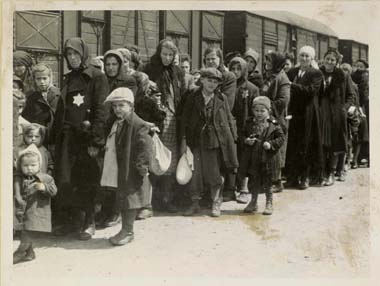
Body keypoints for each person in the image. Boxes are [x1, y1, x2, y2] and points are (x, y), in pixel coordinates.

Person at [50, 37, 109, 240]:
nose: (72, 58)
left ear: (83, 54)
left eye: (76, 53)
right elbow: (62, 110)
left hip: (86, 138)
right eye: (69, 54)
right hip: (68, 138)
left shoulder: (97, 76)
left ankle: (89, 222)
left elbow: (102, 110)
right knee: (66, 179)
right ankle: (73, 222)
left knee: (88, 179)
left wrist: (95, 141)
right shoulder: (68, 78)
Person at [98, 87, 153, 246]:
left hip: (131, 168)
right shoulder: (117, 122)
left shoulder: (137, 124)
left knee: (130, 199)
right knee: (122, 197)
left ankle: (128, 231)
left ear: (131, 106)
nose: (117, 109)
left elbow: (144, 147)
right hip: (119, 166)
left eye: (121, 105)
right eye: (114, 106)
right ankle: (124, 229)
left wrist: (141, 167)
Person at [181, 67, 238, 217]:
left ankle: (216, 202)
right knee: (196, 173)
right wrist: (184, 140)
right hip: (196, 141)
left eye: (215, 82)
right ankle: (194, 203)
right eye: (209, 80)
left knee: (214, 172)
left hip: (214, 141)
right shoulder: (193, 97)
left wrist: (233, 137)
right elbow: (184, 119)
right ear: (202, 80)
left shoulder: (221, 99)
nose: (212, 84)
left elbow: (228, 119)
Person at [144, 39, 186, 212]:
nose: (167, 58)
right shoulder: (149, 69)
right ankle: (149, 202)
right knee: (153, 158)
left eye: (171, 55)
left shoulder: (178, 72)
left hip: (173, 120)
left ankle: (166, 199)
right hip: (155, 119)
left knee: (170, 158)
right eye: (164, 54)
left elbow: (181, 96)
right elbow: (142, 95)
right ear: (158, 53)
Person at [285, 46, 324, 190]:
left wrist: (292, 86)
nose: (304, 58)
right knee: (293, 144)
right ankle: (292, 177)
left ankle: (305, 177)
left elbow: (311, 91)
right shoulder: (292, 72)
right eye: (302, 55)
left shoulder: (316, 73)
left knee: (306, 144)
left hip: (308, 113)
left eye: (307, 56)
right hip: (294, 112)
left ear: (312, 58)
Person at [239, 96, 285, 215]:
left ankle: (269, 203)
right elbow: (241, 135)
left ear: (268, 111)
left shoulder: (273, 124)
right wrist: (246, 140)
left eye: (262, 111)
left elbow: (281, 138)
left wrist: (271, 144)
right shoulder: (249, 123)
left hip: (267, 159)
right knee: (253, 181)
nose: (259, 113)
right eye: (256, 110)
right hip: (253, 158)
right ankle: (253, 202)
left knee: (267, 182)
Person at [203, 47, 237, 202]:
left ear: (220, 60)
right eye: (208, 58)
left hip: (222, 119)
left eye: (214, 59)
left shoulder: (228, 76)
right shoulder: (202, 75)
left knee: (222, 159)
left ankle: (225, 191)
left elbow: (228, 101)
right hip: (206, 121)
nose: (211, 61)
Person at [13, 144, 57, 264]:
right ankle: (30, 253)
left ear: (39, 165)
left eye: (33, 165)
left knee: (27, 233)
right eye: (25, 165)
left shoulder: (45, 178)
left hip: (36, 211)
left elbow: (54, 191)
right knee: (24, 231)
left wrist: (44, 187)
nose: (29, 168)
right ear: (20, 166)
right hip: (22, 210)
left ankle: (20, 252)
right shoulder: (18, 178)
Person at [319, 49, 355, 185]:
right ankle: (321, 172)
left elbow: (351, 95)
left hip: (336, 115)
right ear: (323, 59)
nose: (329, 62)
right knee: (322, 143)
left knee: (335, 144)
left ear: (336, 62)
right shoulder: (318, 73)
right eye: (327, 58)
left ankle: (332, 173)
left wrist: (343, 110)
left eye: (332, 60)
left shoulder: (343, 75)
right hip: (322, 113)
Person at [228, 57, 259, 203]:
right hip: (230, 127)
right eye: (232, 68)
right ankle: (230, 188)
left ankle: (243, 188)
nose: (235, 72)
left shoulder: (251, 88)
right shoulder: (227, 85)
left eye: (238, 69)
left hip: (244, 127)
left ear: (244, 70)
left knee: (244, 157)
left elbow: (255, 112)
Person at [261, 51, 291, 193]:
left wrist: (266, 105)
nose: (266, 63)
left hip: (276, 119)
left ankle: (277, 181)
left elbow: (283, 101)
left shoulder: (282, 78)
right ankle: (268, 180)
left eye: (269, 61)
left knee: (276, 150)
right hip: (265, 117)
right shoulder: (269, 76)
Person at [22, 63, 60, 142]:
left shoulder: (58, 94)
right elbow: (27, 118)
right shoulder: (31, 97)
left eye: (44, 78)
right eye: (38, 79)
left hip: (56, 136)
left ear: (50, 78)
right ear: (34, 79)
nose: (42, 82)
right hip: (38, 138)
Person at [341, 63, 369, 170]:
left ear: (350, 72)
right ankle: (345, 160)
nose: (345, 72)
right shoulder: (338, 83)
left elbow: (359, 101)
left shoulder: (355, 85)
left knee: (358, 134)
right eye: (343, 69)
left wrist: (359, 111)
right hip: (343, 111)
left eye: (347, 70)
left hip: (354, 111)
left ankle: (355, 160)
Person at [351, 59, 369, 167]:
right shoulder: (353, 75)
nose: (358, 68)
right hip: (356, 104)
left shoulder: (365, 76)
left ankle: (363, 157)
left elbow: (364, 93)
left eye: (361, 66)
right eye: (357, 65)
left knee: (362, 131)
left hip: (363, 106)